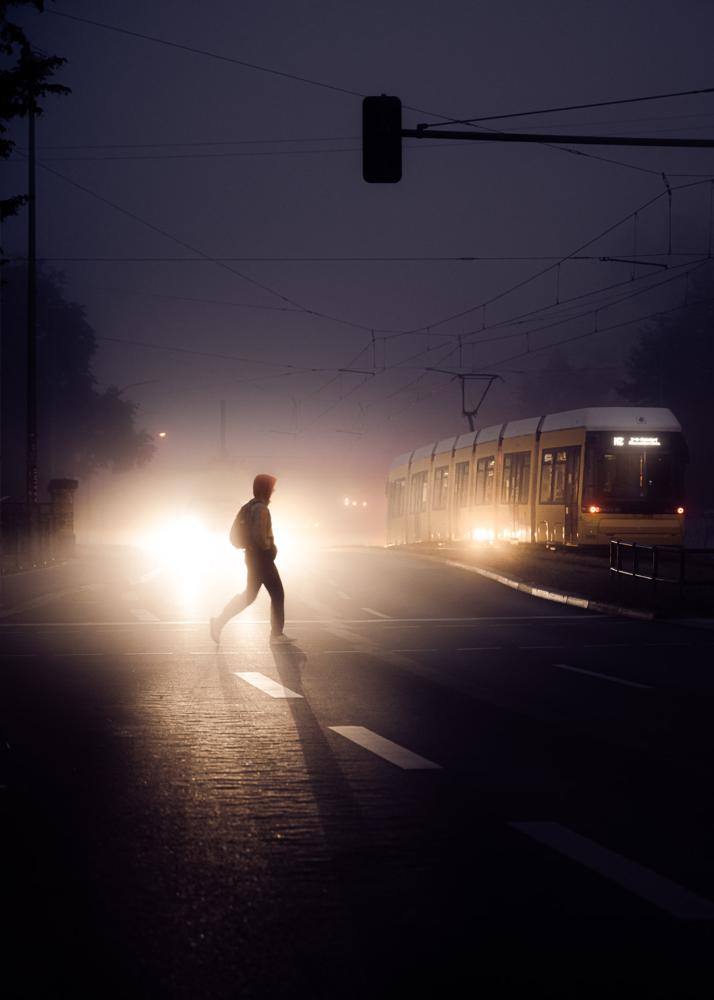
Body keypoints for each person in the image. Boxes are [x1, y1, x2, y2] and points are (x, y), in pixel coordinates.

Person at [210, 474, 295, 645]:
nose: (274, 491)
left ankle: (218, 622)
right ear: (266, 489)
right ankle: (276, 635)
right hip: (261, 558)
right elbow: (258, 535)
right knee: (277, 594)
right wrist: (269, 548)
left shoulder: (249, 506)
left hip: (251, 557)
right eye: (272, 488)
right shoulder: (261, 509)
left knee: (249, 595)